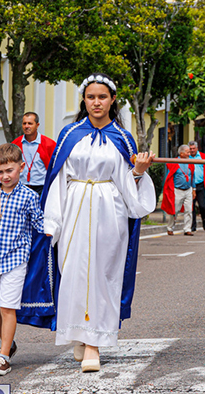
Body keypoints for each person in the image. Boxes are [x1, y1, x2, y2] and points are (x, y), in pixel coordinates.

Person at [21, 73, 156, 373]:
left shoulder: (123, 137)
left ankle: (93, 342)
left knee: (102, 275)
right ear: (84, 100)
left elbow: (128, 186)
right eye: (91, 97)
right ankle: (79, 333)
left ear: (112, 101)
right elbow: (58, 181)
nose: (97, 102)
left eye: (102, 97)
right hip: (74, 211)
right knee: (74, 273)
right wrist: (51, 222)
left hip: (110, 212)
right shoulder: (70, 135)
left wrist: (138, 171)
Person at [0, 144, 45, 376]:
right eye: (0, 172)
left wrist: (56, 229)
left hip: (16, 259)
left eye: (10, 171)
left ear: (21, 168)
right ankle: (9, 343)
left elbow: (40, 224)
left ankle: (3, 356)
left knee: (7, 307)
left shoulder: (29, 196)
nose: (5, 176)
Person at [12, 112, 57, 195]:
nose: (27, 126)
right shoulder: (15, 144)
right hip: (21, 186)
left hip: (41, 187)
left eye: (30, 123)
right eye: (24, 123)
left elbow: (55, 167)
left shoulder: (49, 144)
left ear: (37, 125)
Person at [162, 145, 195, 236]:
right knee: (175, 210)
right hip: (178, 190)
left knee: (189, 210)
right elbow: (169, 177)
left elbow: (193, 175)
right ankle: (170, 228)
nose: (189, 153)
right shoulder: (175, 162)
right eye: (188, 152)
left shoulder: (190, 162)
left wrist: (194, 189)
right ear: (181, 153)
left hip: (188, 189)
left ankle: (187, 229)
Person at [188, 141, 205, 232]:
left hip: (201, 184)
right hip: (190, 185)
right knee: (191, 206)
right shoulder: (187, 157)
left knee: (203, 205)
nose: (192, 150)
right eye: (190, 149)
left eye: (193, 148)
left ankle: (204, 220)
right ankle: (193, 225)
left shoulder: (204, 156)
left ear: (197, 148)